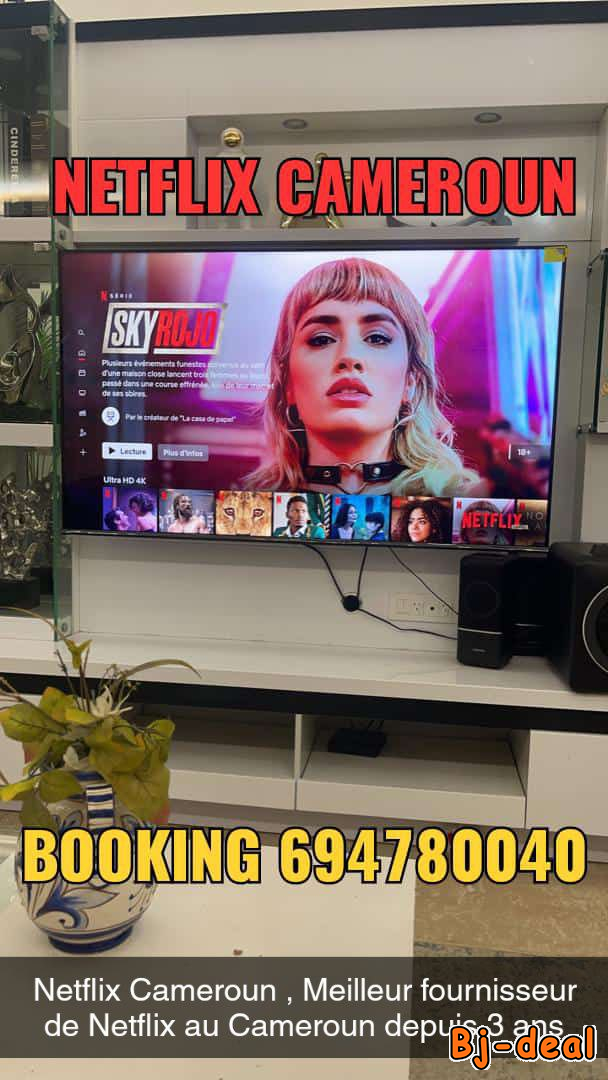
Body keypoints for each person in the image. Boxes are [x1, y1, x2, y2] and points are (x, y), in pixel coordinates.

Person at [244, 257, 484, 498]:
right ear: (288, 383)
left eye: (377, 338)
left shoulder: (468, 501)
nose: (349, 356)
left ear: (411, 380)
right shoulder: (249, 504)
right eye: (321, 339)